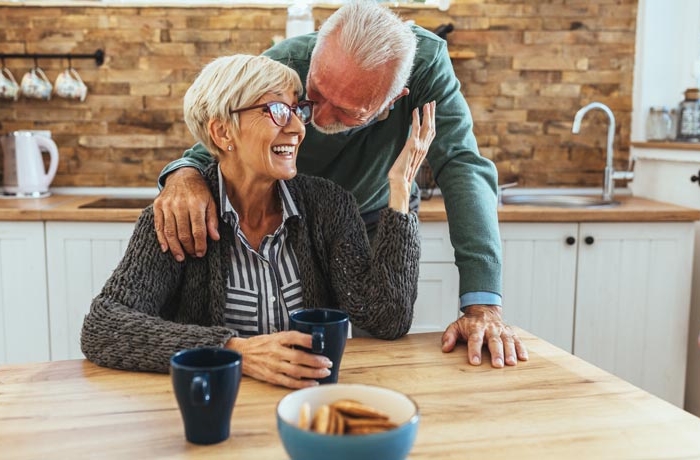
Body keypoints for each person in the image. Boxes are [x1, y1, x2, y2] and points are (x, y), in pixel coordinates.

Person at [154, 1, 527, 368]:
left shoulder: (426, 66)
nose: (314, 118)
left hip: (379, 212)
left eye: (348, 111)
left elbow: (462, 165)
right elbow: (219, 135)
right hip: (301, 217)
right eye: (313, 94)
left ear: (393, 100)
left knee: (379, 340)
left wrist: (482, 305)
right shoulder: (285, 64)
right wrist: (184, 173)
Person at [81, 54, 434, 389]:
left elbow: (386, 319)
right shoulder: (178, 218)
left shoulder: (329, 205)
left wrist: (400, 189)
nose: (297, 128)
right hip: (218, 406)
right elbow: (104, 326)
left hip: (308, 401)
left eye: (298, 110)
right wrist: (237, 352)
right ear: (222, 133)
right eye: (278, 110)